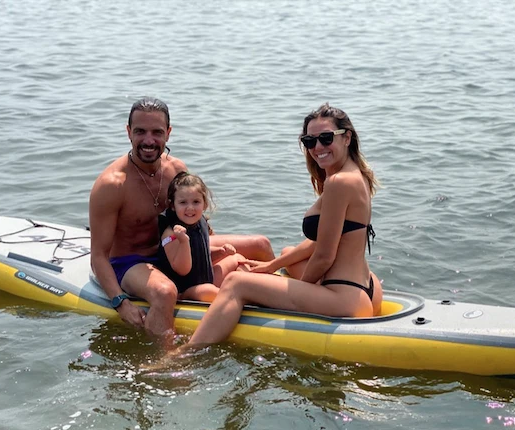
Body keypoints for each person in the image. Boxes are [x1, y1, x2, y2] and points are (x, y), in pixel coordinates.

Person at [185, 103, 383, 348]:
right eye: (310, 141)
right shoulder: (356, 175)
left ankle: (184, 354)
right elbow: (321, 241)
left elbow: (324, 256)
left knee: (237, 282)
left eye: (326, 138)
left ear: (347, 138)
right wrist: (272, 266)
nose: (317, 147)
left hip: (345, 298)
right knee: (289, 253)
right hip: (367, 288)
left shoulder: (338, 183)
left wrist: (294, 291)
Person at [89, 97, 274, 340]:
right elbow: (98, 256)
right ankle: (166, 359)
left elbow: (195, 215)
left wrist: (210, 250)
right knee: (166, 292)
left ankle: (284, 308)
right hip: (131, 261)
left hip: (175, 246)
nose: (148, 140)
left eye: (157, 132)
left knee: (260, 245)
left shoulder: (175, 169)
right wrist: (120, 302)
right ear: (128, 132)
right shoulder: (112, 184)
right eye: (140, 131)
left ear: (168, 133)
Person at [158, 171, 249, 302]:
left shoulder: (200, 222)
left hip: (206, 279)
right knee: (208, 290)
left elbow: (200, 252)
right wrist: (183, 242)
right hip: (186, 289)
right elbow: (182, 269)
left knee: (238, 259)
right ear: (173, 206)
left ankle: (244, 290)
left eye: (196, 202)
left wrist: (221, 251)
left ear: (204, 204)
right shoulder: (171, 234)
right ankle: (239, 296)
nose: (190, 208)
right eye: (183, 202)